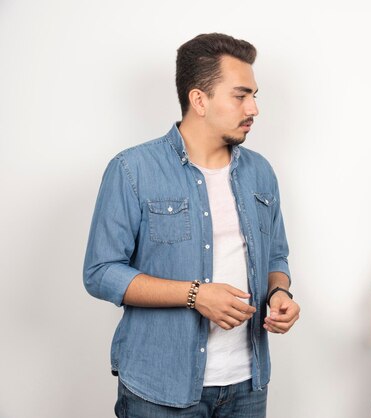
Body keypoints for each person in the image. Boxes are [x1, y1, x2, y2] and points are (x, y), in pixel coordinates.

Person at [83, 33, 300, 418]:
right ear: (199, 99)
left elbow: (276, 255)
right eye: (240, 95)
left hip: (247, 386)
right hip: (159, 388)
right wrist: (195, 295)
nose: (254, 108)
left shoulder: (260, 172)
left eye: (255, 94)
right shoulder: (133, 169)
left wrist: (279, 292)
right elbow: (101, 273)